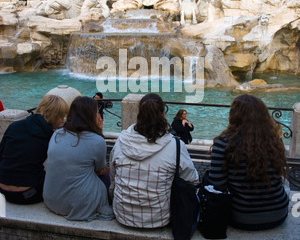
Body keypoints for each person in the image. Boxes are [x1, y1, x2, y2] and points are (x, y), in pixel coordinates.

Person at [109, 94, 199, 229]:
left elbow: (113, 179)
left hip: (123, 215)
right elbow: (193, 180)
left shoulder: (121, 141)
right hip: (159, 219)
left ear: (139, 114)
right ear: (163, 115)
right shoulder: (175, 145)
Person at [208, 94, 290, 231]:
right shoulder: (275, 140)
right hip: (278, 212)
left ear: (234, 115)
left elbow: (218, 184)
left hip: (242, 215)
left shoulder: (223, 143)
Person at [43, 96, 114, 221]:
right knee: (109, 176)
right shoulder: (97, 141)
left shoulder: (57, 133)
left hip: (51, 200)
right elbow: (100, 170)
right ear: (91, 116)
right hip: (78, 205)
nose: (99, 115)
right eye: (97, 112)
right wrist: (100, 131)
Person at [0, 95, 69, 205]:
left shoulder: (15, 126)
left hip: (2, 190)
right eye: (60, 116)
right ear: (53, 115)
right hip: (28, 194)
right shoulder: (51, 137)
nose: (62, 120)